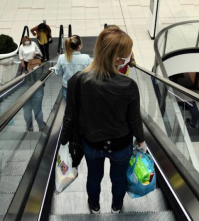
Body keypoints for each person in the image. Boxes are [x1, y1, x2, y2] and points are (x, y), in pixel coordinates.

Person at [60, 25, 146, 214]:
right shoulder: (128, 85)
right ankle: (116, 207)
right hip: (121, 145)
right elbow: (134, 120)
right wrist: (140, 140)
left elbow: (70, 116)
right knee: (119, 178)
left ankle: (94, 207)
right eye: (128, 55)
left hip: (91, 144)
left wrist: (63, 142)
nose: (130, 58)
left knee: (93, 177)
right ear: (118, 59)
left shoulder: (77, 80)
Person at [52, 35, 91, 101]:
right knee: (81, 109)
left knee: (69, 108)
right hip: (81, 88)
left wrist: (55, 68)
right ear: (79, 46)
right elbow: (91, 73)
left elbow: (58, 73)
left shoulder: (62, 57)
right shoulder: (86, 57)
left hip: (67, 87)